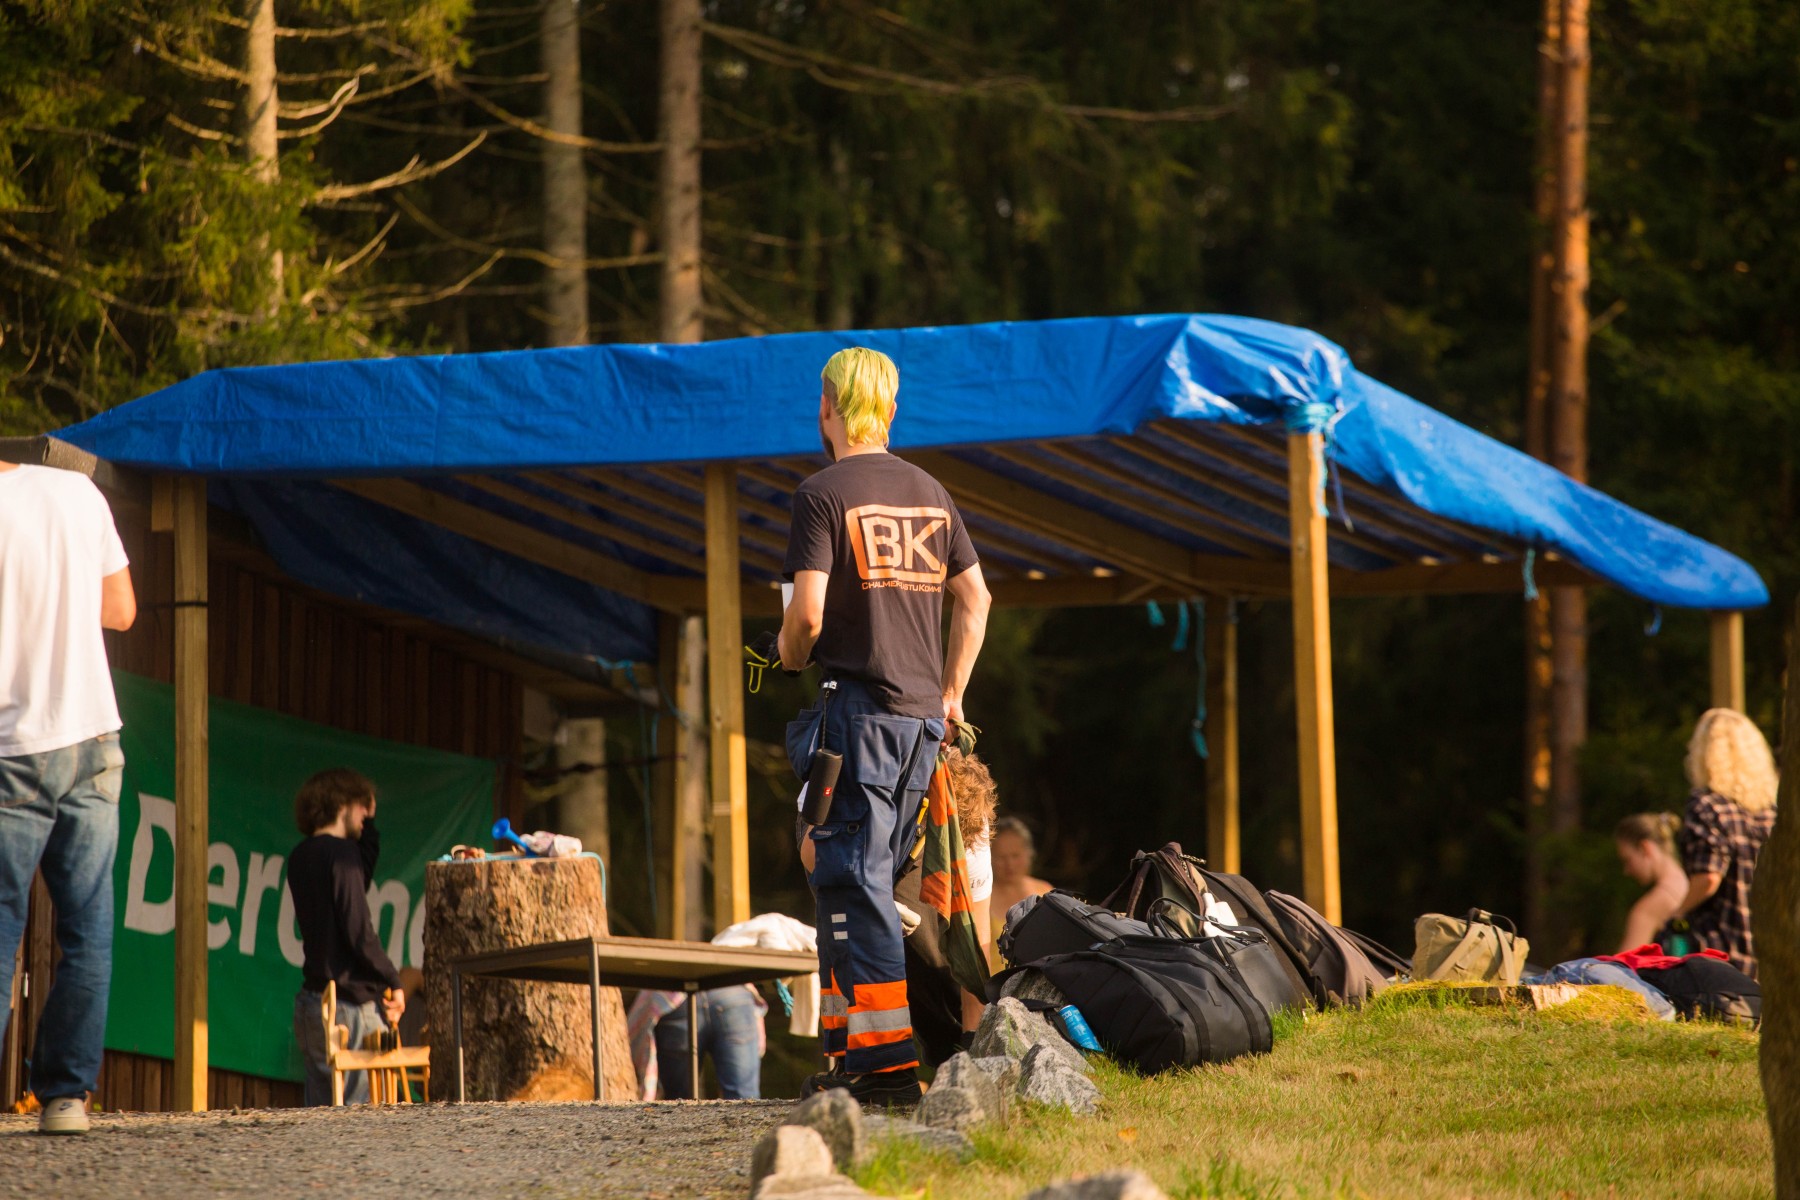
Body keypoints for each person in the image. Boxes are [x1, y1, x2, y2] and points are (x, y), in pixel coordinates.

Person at [780, 346, 991, 1107]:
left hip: (859, 720)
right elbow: (977, 599)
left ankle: (889, 1067)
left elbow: (807, 615)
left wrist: (786, 651)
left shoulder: (821, 494)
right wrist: (952, 692)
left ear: (827, 408)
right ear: (892, 411)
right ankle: (849, 1058)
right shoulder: (931, 492)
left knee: (855, 881)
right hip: (920, 727)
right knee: (846, 883)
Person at [0, 460, 136, 1136]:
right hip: (93, 735)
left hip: (14, 745)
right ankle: (65, 1098)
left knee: (2, 928)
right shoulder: (79, 491)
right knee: (88, 931)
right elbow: (122, 610)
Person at [286, 767, 405, 1105]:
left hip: (313, 1003)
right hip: (348, 1009)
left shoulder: (301, 856)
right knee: (359, 1122)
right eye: (363, 807)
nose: (367, 815)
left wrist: (369, 828)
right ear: (344, 804)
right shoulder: (342, 855)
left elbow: (357, 879)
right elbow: (358, 931)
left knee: (322, 1114)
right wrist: (392, 979)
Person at [1672, 708, 1778, 980]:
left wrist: (1678, 912)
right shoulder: (1773, 812)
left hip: (1723, 950)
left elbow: (1708, 877)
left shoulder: (1707, 806)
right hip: (1772, 951)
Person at [1613, 812, 1690, 954]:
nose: (1626, 871)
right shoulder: (1693, 887)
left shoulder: (1650, 908)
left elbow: (1623, 964)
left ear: (1645, 848)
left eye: (1627, 860)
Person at [988, 817, 1055, 950]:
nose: (1010, 864)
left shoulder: (1045, 890)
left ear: (1029, 854)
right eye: (1002, 857)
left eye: (1015, 856)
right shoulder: (982, 897)